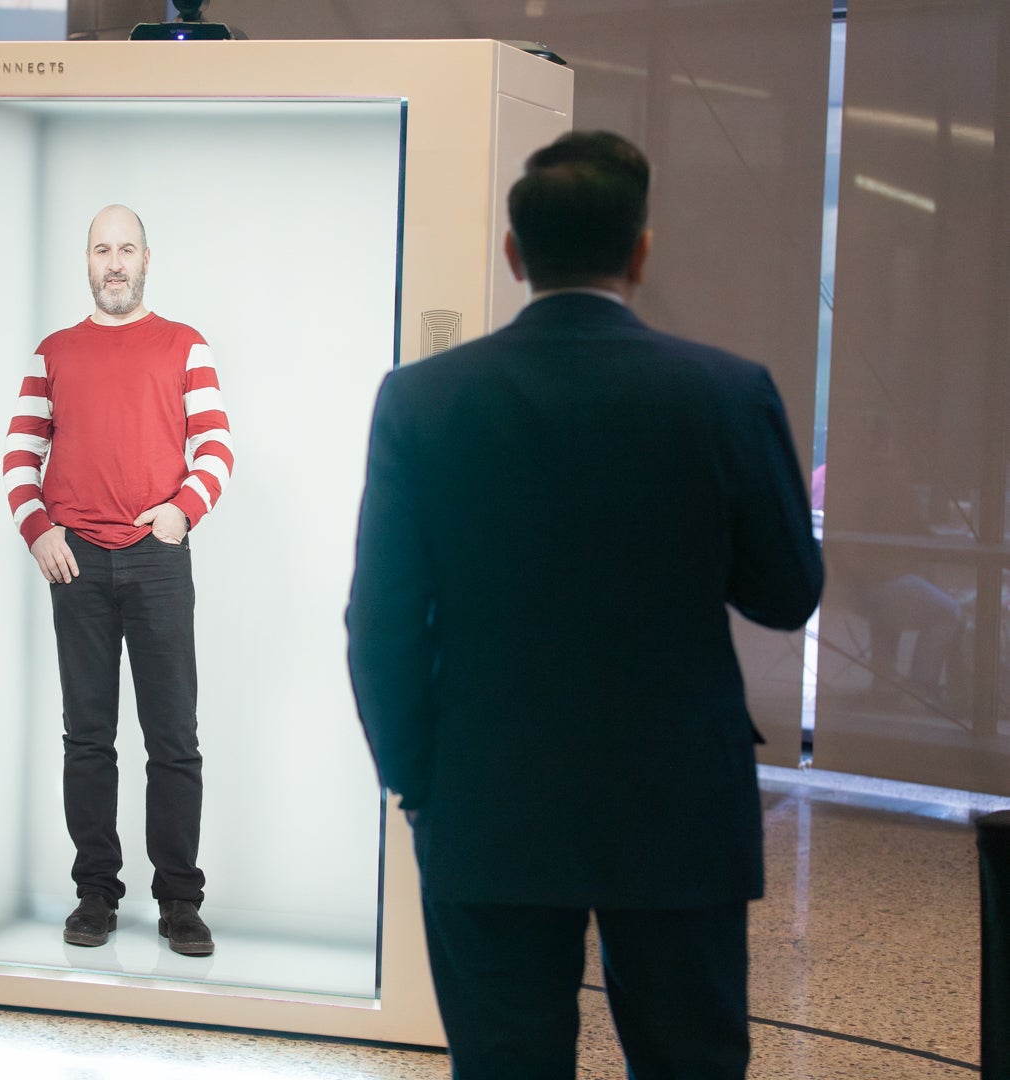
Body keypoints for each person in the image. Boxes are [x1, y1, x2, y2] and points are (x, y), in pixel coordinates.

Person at [346, 132, 823, 1078]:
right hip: (678, 798)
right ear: (641, 251)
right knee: (690, 1059)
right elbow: (786, 596)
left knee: (507, 1060)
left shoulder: (422, 400)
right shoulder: (728, 394)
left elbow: (381, 623)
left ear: (516, 256)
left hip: (487, 797)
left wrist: (419, 783)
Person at [3, 204, 233, 957]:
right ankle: (96, 893)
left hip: (157, 556)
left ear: (146, 259)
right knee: (88, 738)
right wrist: (38, 531)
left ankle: (180, 900)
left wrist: (181, 514)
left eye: (125, 248)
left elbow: (218, 447)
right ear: (87, 261)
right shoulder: (54, 351)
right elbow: (18, 454)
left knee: (173, 739)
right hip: (77, 563)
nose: (113, 262)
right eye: (102, 249)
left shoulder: (183, 345)